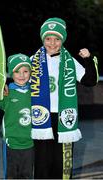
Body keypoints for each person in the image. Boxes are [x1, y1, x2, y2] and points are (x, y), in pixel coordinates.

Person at [31, 17, 99, 179]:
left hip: (64, 117)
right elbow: (21, 83)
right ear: (43, 39)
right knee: (41, 162)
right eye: (48, 38)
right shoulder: (33, 60)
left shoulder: (70, 61)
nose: (52, 43)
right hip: (41, 117)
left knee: (61, 163)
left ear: (63, 40)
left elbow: (89, 81)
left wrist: (88, 59)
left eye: (57, 39)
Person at [0, 53, 34, 179]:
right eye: (17, 71)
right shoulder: (6, 92)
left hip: (31, 142)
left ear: (30, 72)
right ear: (11, 73)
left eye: (25, 71)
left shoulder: (35, 92)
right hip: (11, 142)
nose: (22, 75)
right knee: (11, 176)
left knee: (27, 175)